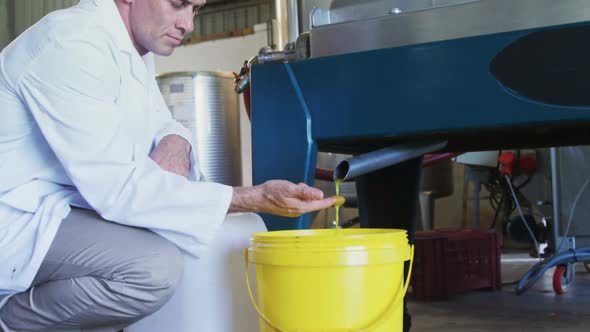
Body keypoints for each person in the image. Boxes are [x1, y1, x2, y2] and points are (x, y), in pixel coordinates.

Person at [0, 0, 339, 331]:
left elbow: (165, 125)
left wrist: (177, 141)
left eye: (194, 9)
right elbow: (117, 188)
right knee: (150, 269)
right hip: (16, 216)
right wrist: (251, 197)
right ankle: (11, 321)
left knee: (170, 240)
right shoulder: (71, 44)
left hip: (64, 207)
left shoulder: (128, 48)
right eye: (178, 4)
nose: (188, 25)